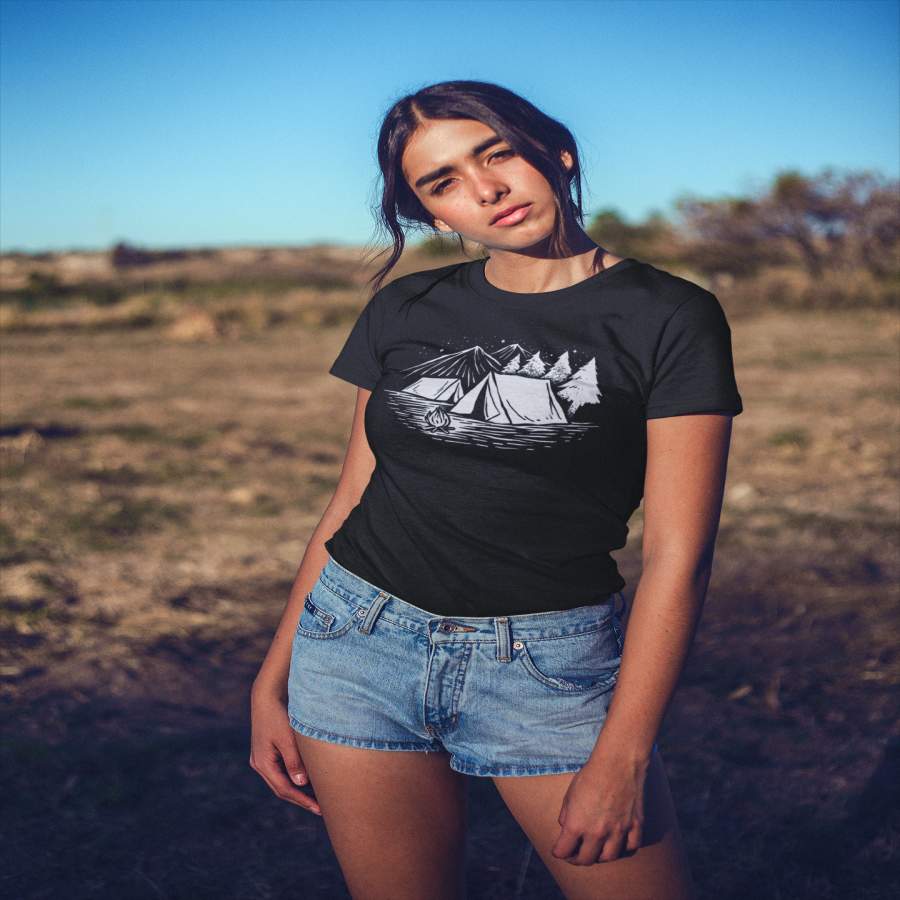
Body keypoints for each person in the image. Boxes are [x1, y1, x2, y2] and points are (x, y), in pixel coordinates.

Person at [250, 79, 742, 900]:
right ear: (431, 213)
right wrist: (276, 676)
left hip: (546, 668)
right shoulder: (406, 307)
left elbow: (677, 556)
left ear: (558, 152)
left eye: (497, 153)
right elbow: (350, 498)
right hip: (357, 644)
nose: (485, 190)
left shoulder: (669, 316)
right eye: (443, 182)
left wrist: (623, 756)